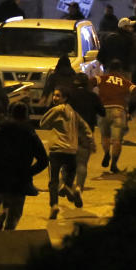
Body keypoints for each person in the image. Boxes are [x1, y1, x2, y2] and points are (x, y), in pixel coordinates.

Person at [0, 103, 49, 231]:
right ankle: (7, 232)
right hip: (20, 179)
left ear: (10, 114)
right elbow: (43, 160)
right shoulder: (29, 133)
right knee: (15, 213)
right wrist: (29, 172)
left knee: (0, 196)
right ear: (26, 116)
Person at [39, 87, 92, 219]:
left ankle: (54, 205)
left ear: (64, 98)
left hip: (57, 150)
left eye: (58, 96)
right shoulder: (74, 112)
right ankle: (68, 188)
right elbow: (85, 127)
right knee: (69, 176)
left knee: (53, 181)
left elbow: (42, 124)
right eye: (54, 95)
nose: (54, 98)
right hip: (72, 151)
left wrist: (53, 123)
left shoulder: (57, 109)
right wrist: (89, 139)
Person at [94, 60, 136, 173]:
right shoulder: (125, 82)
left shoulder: (101, 78)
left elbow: (89, 82)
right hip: (119, 110)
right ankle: (114, 164)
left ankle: (107, 153)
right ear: (120, 70)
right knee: (117, 140)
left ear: (109, 69)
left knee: (105, 136)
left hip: (104, 109)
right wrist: (130, 107)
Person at [67, 73, 104, 190]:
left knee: (67, 161)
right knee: (82, 163)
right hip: (86, 133)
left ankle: (64, 183)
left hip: (70, 132)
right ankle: (79, 187)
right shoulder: (93, 96)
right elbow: (102, 112)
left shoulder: (69, 96)